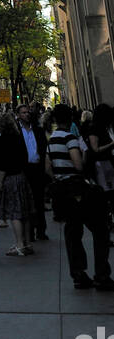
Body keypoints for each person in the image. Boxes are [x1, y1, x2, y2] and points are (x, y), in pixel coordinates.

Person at [46, 103, 113, 289]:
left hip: (62, 189)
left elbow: (47, 167)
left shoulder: (52, 140)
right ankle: (101, 274)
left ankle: (78, 273)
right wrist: (83, 158)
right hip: (77, 188)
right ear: (70, 119)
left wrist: (59, 178)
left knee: (72, 233)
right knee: (99, 229)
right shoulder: (70, 138)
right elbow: (78, 165)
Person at [0, 111, 35, 256]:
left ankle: (19, 244)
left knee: (14, 213)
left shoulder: (3, 139)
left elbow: (3, 163)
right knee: (25, 212)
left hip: (10, 178)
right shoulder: (18, 137)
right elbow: (25, 156)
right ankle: (27, 243)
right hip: (21, 176)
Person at [15, 103, 48, 241]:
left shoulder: (38, 130)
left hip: (37, 168)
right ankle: (30, 232)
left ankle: (41, 230)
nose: (26, 115)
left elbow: (43, 147)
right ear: (18, 115)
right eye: (23, 113)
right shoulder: (16, 131)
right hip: (25, 169)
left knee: (39, 200)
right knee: (27, 202)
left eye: (27, 112)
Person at [86, 103, 114, 224]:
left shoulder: (105, 128)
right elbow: (95, 149)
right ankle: (107, 218)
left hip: (107, 163)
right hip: (101, 165)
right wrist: (112, 144)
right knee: (107, 192)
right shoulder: (94, 128)